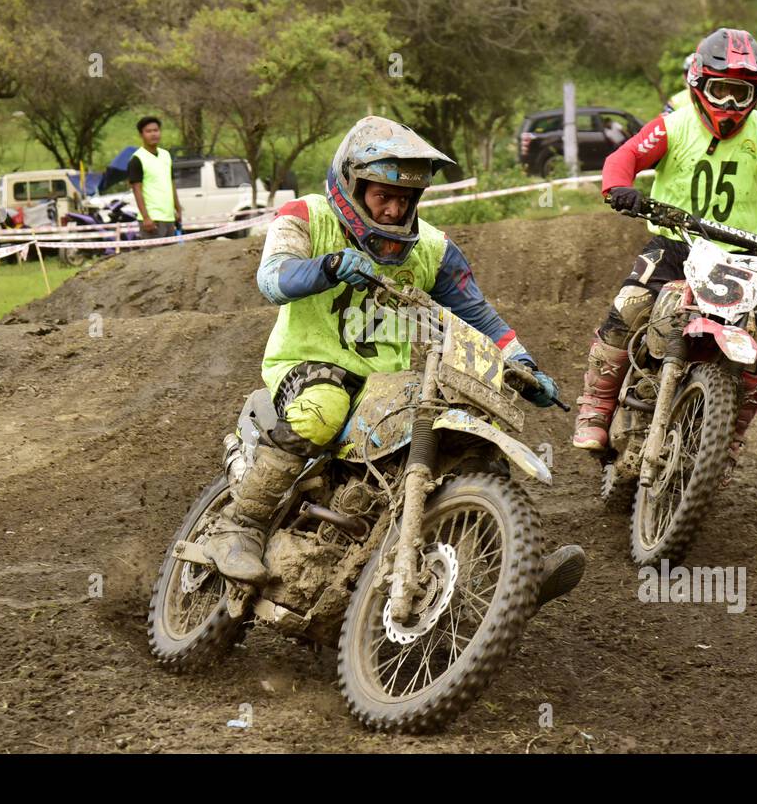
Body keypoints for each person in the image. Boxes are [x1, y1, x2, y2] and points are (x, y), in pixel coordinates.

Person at [202, 115, 586, 607]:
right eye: (382, 194)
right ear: (351, 185)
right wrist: (331, 265)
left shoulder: (433, 250)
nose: (393, 208)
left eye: (405, 198)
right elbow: (272, 278)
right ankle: (241, 524)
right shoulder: (307, 215)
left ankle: (509, 566)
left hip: (388, 387)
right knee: (324, 405)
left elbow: (479, 316)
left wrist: (524, 364)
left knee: (466, 436)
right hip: (307, 366)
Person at [574, 28, 757, 486]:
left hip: (741, 258)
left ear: (756, 94)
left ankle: (730, 435)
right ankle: (597, 407)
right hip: (674, 245)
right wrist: (619, 187)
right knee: (630, 306)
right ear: (699, 85)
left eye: (741, 94)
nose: (731, 104)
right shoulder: (674, 123)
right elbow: (624, 156)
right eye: (721, 90)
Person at [128, 116, 183, 240]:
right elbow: (137, 190)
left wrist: (178, 208)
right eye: (148, 131)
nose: (153, 134)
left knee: (171, 257)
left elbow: (171, 183)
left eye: (156, 130)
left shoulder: (166, 155)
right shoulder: (137, 159)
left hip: (169, 218)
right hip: (152, 221)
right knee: (154, 258)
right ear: (141, 135)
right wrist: (146, 217)